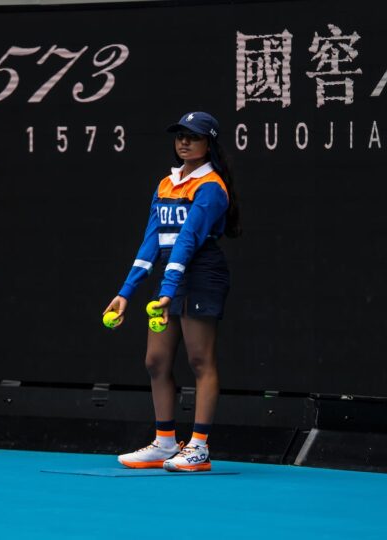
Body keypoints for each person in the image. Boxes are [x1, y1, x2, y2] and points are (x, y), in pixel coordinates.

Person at [103, 111, 241, 472]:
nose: (184, 142)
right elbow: (152, 241)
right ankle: (165, 442)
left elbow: (187, 240)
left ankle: (199, 448)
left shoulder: (211, 187)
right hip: (173, 276)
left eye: (193, 136)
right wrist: (126, 292)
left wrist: (166, 289)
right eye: (180, 135)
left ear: (209, 143)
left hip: (201, 275)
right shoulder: (166, 184)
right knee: (156, 361)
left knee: (200, 361)